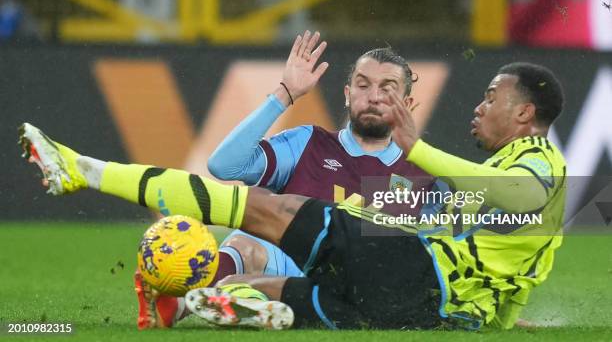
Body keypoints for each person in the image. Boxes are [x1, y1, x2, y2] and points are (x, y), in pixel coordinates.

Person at [19, 61, 566, 330]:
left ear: (523, 113)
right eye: (364, 84)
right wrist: (496, 321)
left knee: (261, 208)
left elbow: (513, 195)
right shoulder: (317, 143)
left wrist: (417, 150)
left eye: (491, 97)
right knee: (263, 287)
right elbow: (501, 242)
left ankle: (83, 170)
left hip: (413, 276)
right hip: (430, 311)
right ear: (347, 91)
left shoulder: (538, 165)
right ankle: (227, 306)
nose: (478, 105)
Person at [134, 31, 436, 328]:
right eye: (363, 85)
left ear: (407, 104)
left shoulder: (421, 174)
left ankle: (242, 298)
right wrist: (284, 94)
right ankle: (182, 305)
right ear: (347, 95)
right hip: (292, 272)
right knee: (246, 243)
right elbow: (224, 166)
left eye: (388, 88)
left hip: (360, 290)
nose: (374, 96)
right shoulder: (308, 143)